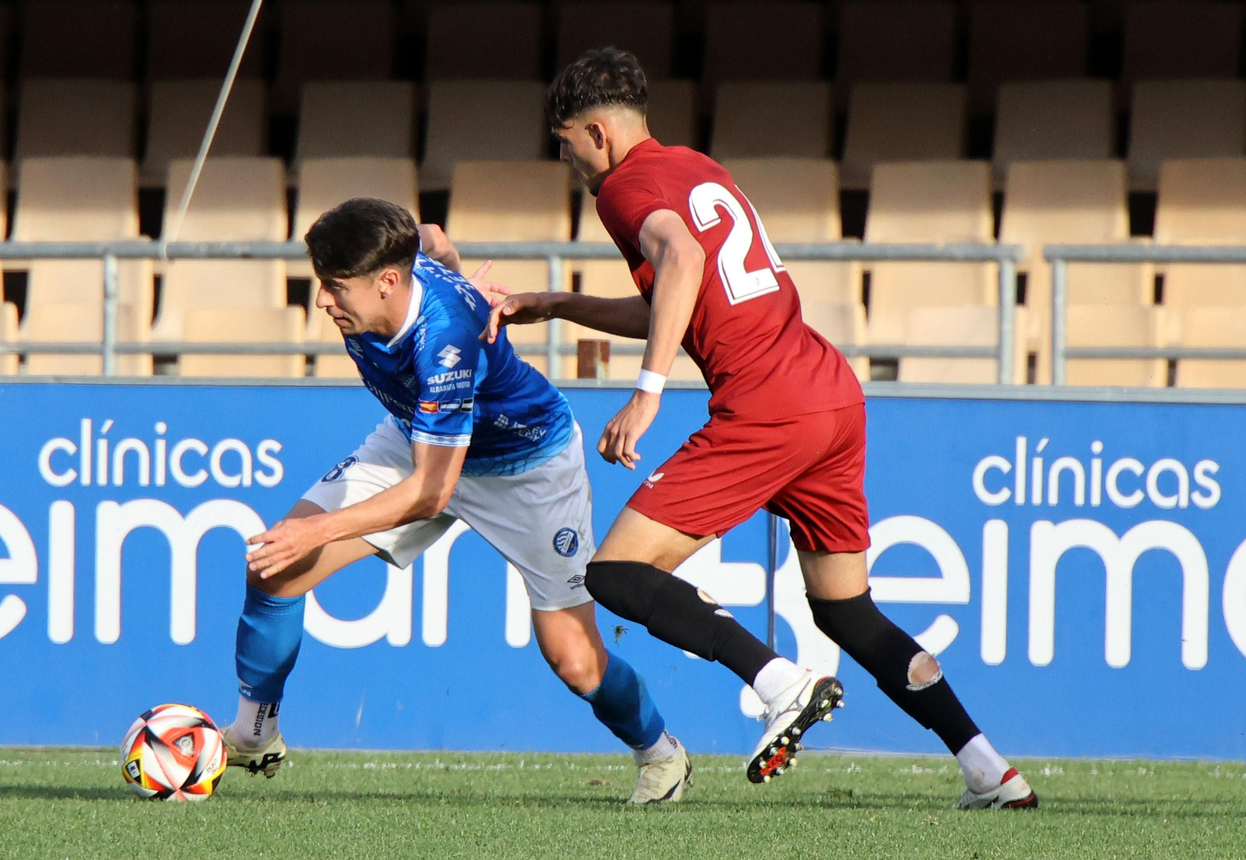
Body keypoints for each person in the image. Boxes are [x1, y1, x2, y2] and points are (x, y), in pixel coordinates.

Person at [484, 48, 1037, 809]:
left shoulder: (624, 188)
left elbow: (678, 259)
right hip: (829, 393)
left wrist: (647, 392)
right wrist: (557, 304)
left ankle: (778, 682)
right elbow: (683, 291)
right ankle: (989, 770)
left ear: (598, 134)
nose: (565, 156)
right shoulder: (693, 167)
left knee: (613, 574)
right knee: (846, 609)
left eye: (566, 140)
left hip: (769, 404)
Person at [222, 198, 694, 804]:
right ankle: (255, 733)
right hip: (421, 436)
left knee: (575, 661)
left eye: (335, 288)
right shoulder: (396, 269)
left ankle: (662, 756)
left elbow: (430, 492)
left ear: (389, 281)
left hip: (526, 468)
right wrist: (455, 266)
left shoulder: (442, 339)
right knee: (273, 566)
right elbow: (435, 239)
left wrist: (317, 531)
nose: (322, 301)